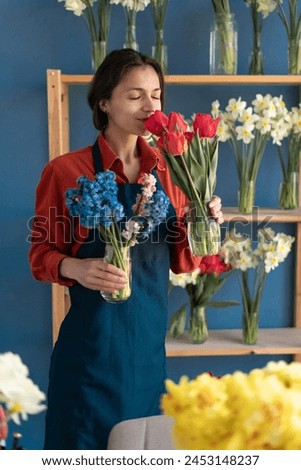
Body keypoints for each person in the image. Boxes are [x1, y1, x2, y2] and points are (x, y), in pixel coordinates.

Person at [29, 48, 224, 450]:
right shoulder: (66, 171)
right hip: (89, 355)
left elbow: (183, 262)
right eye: (135, 95)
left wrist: (203, 225)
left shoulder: (171, 170)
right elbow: (40, 254)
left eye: (155, 95)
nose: (149, 105)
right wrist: (76, 268)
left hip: (148, 354)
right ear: (104, 101)